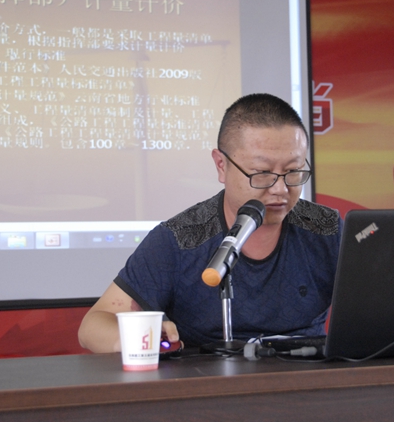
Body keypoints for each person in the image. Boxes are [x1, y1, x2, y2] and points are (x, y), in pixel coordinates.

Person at [78, 93, 342, 352]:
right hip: (206, 377)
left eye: (293, 171)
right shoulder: (181, 238)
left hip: (306, 375)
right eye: (262, 173)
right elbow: (93, 326)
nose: (280, 189)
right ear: (221, 165)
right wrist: (141, 338)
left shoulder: (327, 229)